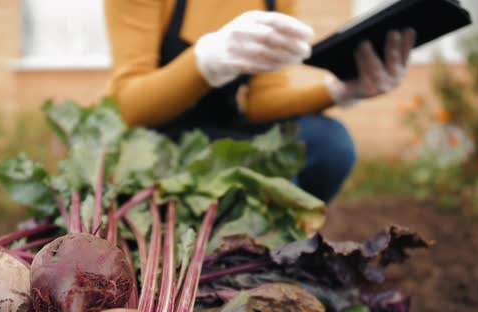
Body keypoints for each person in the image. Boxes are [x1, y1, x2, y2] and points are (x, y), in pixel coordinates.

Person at [104, 0, 415, 203]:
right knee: (271, 177)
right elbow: (130, 107)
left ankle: (288, 247)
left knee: (331, 143)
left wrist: (340, 90)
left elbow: (261, 101)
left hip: (225, 126)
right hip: (154, 139)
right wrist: (206, 61)